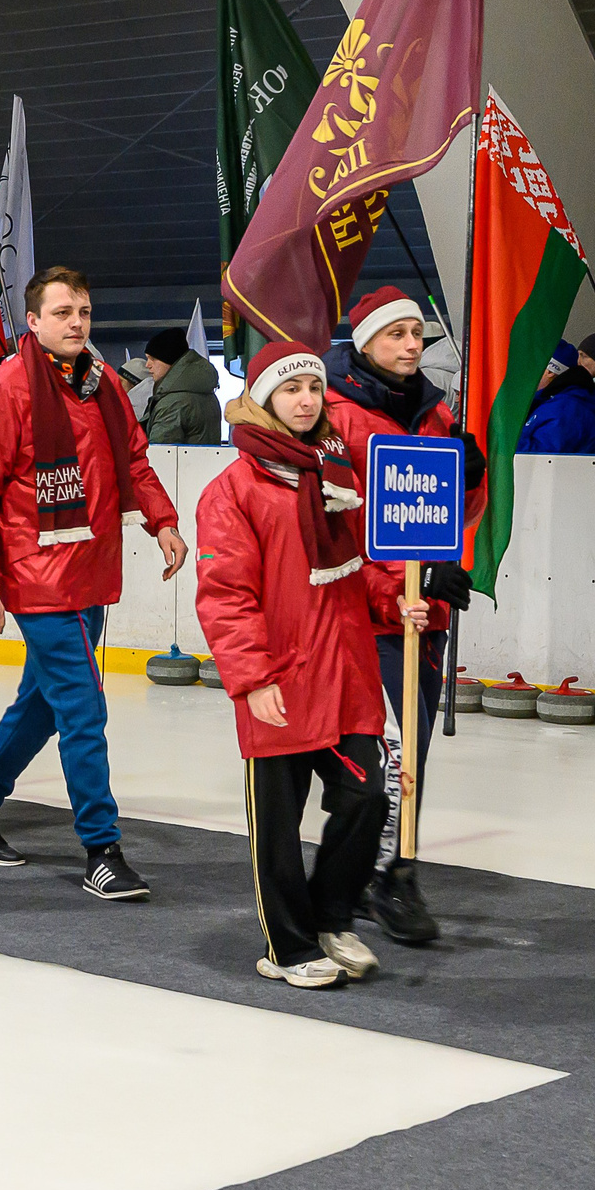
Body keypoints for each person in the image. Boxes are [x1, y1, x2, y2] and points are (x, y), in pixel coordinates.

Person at [0, 267, 186, 900]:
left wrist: (162, 521)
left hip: (91, 569)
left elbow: (132, 458)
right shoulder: (3, 391)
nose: (77, 322)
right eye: (62, 313)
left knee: (44, 704)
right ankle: (101, 849)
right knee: (85, 710)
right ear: (33, 322)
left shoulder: (101, 384)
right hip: (37, 577)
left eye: (83, 310)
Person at [197, 341, 426, 988]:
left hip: (348, 673)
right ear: (265, 397)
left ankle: (332, 918)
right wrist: (254, 677)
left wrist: (394, 600)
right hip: (281, 678)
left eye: (314, 388)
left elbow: (361, 571)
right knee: (278, 824)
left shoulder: (338, 473)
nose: (305, 399)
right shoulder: (233, 488)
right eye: (291, 388)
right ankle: (289, 945)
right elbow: (226, 596)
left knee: (367, 796)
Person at [325, 287, 488, 944]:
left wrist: (471, 477)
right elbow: (340, 529)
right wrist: (397, 585)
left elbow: (450, 514)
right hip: (370, 614)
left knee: (405, 750)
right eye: (395, 334)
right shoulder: (335, 413)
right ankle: (391, 872)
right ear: (363, 341)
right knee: (394, 755)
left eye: (416, 333)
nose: (411, 344)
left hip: (425, 615)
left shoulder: (434, 410)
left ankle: (372, 869)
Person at [517, 341, 595, 454]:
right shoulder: (550, 404)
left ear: (550, 371)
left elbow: (542, 459)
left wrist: (504, 434)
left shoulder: (566, 409)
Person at [141, 326, 223, 445]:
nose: (147, 365)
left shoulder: (174, 403)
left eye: (153, 359)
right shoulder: (206, 393)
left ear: (169, 358)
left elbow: (160, 453)